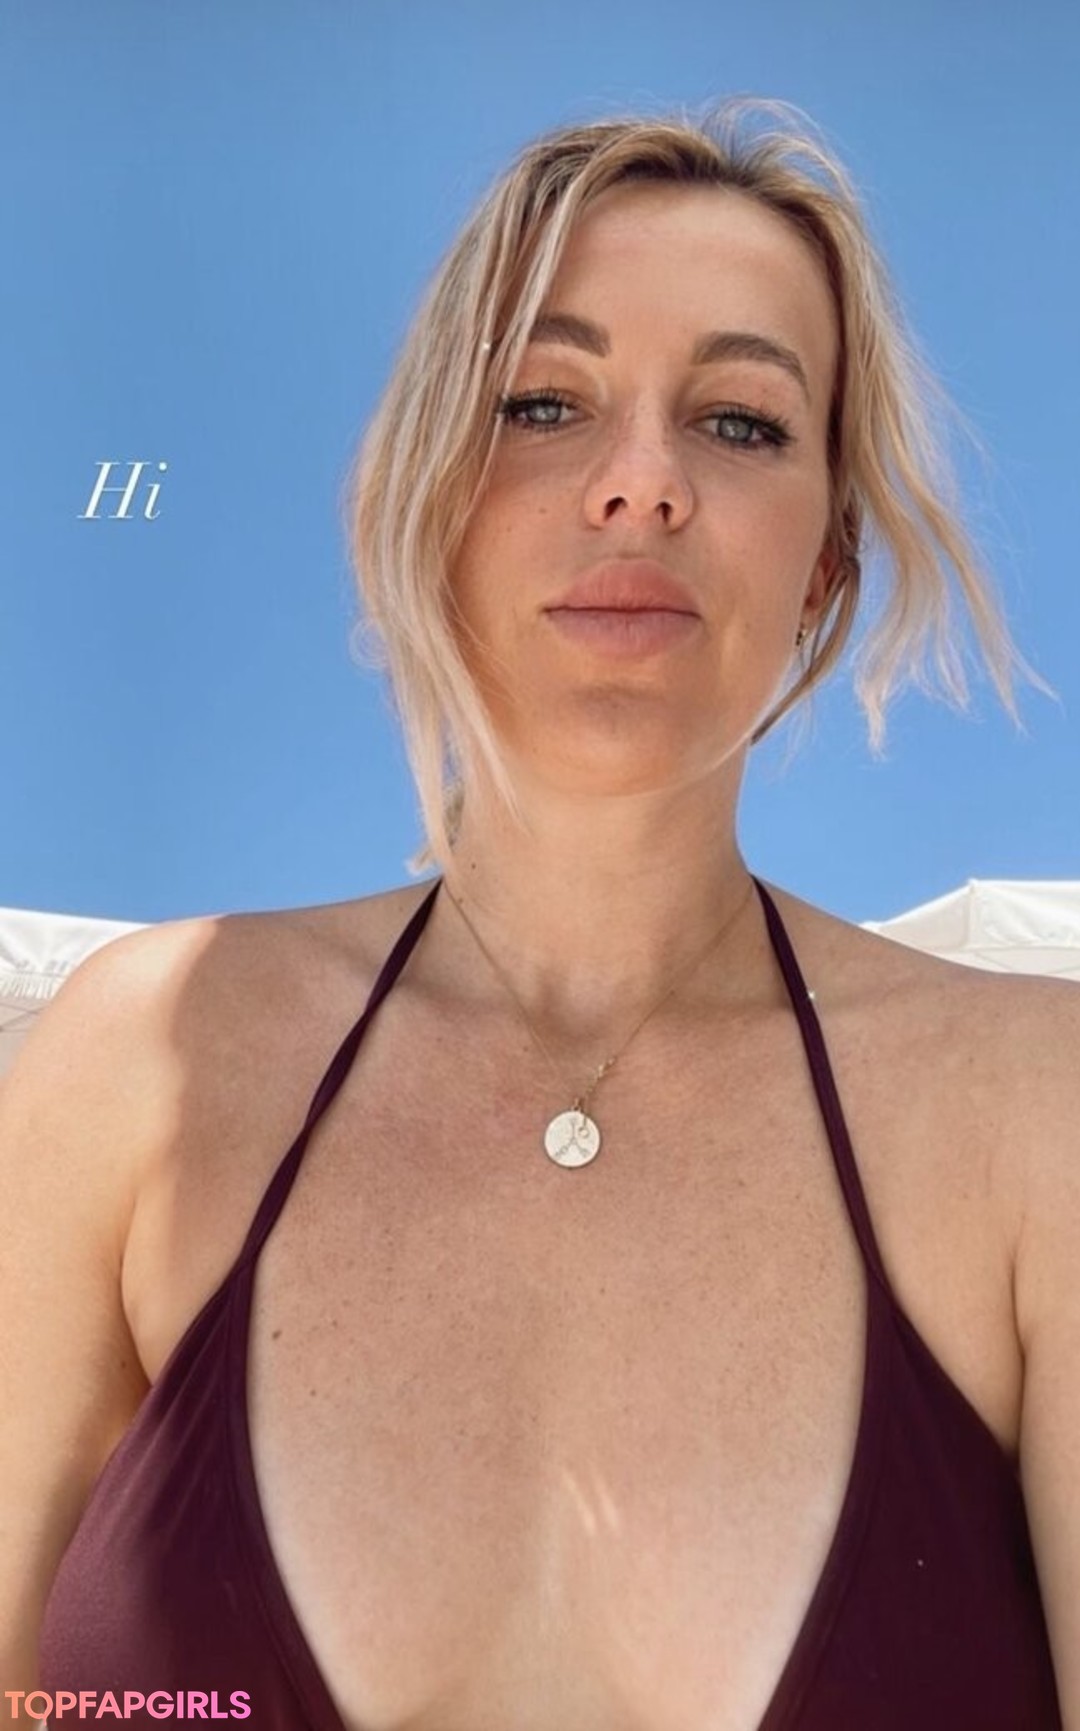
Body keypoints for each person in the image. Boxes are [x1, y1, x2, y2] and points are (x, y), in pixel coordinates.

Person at [2, 98, 1076, 1730]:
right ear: (433, 495)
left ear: (828, 563)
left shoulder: (1039, 1117)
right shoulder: (130, 1067)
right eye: (543, 403)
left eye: (739, 423)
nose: (642, 486)